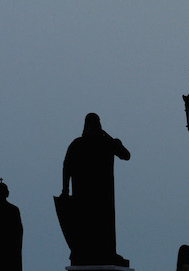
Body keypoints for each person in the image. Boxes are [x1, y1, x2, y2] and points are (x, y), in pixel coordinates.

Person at [58, 112, 131, 266]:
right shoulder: (105, 143)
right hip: (96, 195)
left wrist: (65, 190)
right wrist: (110, 138)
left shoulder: (83, 144)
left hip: (91, 195)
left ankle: (101, 252)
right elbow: (67, 167)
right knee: (96, 225)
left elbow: (125, 155)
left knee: (94, 225)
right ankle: (99, 253)